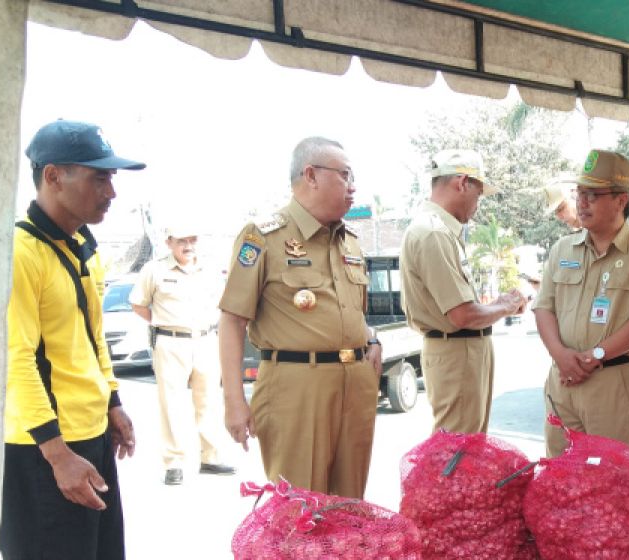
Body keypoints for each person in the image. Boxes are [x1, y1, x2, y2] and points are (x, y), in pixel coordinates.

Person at [3, 120, 145, 560]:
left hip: (88, 440)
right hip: (43, 452)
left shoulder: (82, 244)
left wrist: (113, 401)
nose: (111, 191)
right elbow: (15, 359)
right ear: (54, 176)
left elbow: (91, 337)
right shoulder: (20, 251)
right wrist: (56, 452)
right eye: (99, 178)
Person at [218, 136, 381, 499]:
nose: (352, 186)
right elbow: (232, 320)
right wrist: (234, 400)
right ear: (311, 175)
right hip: (296, 386)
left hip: (355, 384)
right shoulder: (263, 237)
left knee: (349, 506)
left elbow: (350, 309)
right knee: (300, 509)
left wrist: (370, 338)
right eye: (345, 175)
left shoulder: (349, 241)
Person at [534, 149, 629, 457]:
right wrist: (561, 355)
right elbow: (544, 307)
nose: (582, 203)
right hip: (563, 377)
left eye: (593, 195)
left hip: (613, 381)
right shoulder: (562, 249)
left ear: (621, 200)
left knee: (613, 481)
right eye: (580, 193)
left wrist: (595, 355)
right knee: (559, 477)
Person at [400, 149, 524, 434]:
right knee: (458, 452)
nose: (478, 205)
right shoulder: (434, 233)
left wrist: (498, 304)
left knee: (468, 447)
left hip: (461, 351)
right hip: (456, 352)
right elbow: (462, 314)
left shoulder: (440, 230)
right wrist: (506, 306)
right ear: (461, 183)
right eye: (478, 194)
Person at [130, 222, 235, 485]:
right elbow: (138, 304)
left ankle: (211, 457)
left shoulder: (210, 269)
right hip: (170, 341)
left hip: (206, 340)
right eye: (181, 241)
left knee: (209, 401)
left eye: (192, 240)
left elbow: (223, 304)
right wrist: (163, 321)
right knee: (172, 404)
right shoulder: (154, 269)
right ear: (169, 243)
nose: (188, 246)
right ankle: (173, 463)